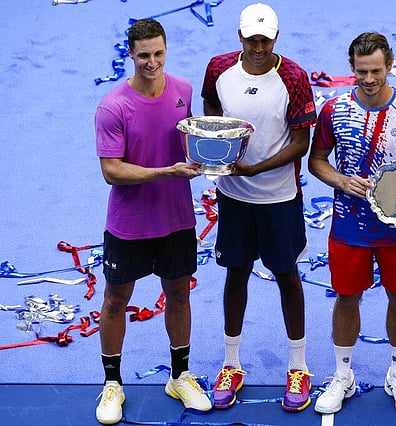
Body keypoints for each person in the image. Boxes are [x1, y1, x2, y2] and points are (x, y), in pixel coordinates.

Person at [94, 19, 212, 425]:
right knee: (115, 301)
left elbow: (187, 141)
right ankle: (113, 384)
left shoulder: (182, 90)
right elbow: (112, 171)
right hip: (129, 225)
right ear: (130, 53)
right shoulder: (113, 106)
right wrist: (166, 172)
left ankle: (179, 376)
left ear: (166, 50)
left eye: (158, 54)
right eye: (143, 55)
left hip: (177, 220)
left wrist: (209, 159)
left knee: (179, 295)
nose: (152, 62)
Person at [200, 3, 317, 412]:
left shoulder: (295, 78)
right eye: (252, 39)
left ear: (276, 38)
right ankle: (231, 364)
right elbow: (210, 107)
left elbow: (301, 142)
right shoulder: (218, 69)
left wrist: (253, 167)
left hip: (279, 198)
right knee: (236, 274)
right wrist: (220, 147)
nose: (259, 46)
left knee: (287, 276)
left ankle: (298, 367)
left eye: (265, 39)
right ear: (240, 37)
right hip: (233, 198)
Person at [308, 32, 396, 415]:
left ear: (390, 66)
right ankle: (343, 375)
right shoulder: (334, 109)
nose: (369, 78)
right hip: (348, 225)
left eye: (376, 70)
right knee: (347, 296)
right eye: (361, 71)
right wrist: (341, 180)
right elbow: (317, 161)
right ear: (351, 68)